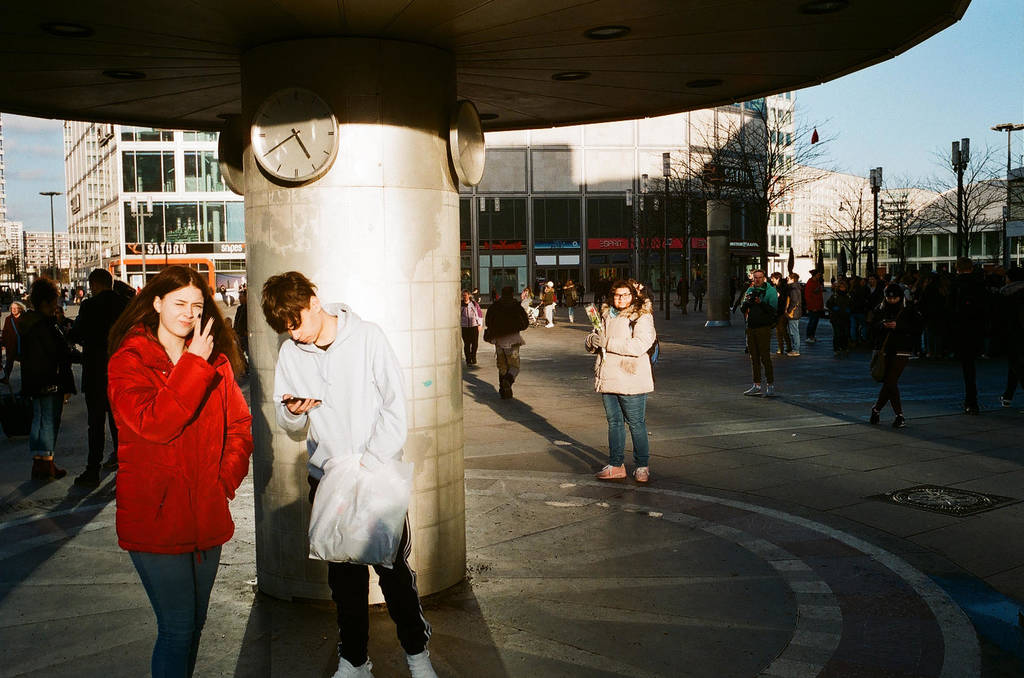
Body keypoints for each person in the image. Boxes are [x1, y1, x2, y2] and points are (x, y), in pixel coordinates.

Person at [260, 271, 438, 678]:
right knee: (343, 577)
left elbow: (395, 406)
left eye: (297, 322)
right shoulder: (292, 353)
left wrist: (371, 463)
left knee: (392, 570)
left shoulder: (368, 337)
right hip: (326, 477)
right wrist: (292, 412)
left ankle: (417, 654)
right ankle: (355, 660)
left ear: (314, 301)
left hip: (375, 473)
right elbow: (287, 423)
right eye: (286, 329)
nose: (296, 334)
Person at [106, 266, 251, 678]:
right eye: (179, 303)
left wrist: (222, 481)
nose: (189, 313)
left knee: (193, 628)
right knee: (176, 628)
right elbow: (155, 423)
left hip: (205, 511)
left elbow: (239, 427)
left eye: (197, 306)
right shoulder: (129, 361)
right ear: (156, 303)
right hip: (155, 518)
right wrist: (192, 365)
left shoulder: (214, 360)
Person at [586, 279, 656, 483]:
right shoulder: (605, 314)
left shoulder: (642, 316)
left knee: (636, 423)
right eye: (617, 295)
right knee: (614, 423)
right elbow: (595, 337)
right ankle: (616, 464)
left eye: (626, 295)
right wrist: (591, 341)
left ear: (633, 295)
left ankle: (642, 465)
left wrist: (607, 342)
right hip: (608, 376)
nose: (621, 298)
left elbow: (639, 345)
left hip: (631, 376)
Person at [68, 269, 130, 486]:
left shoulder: (89, 306)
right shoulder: (124, 305)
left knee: (95, 423)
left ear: (94, 284)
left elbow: (75, 334)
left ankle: (92, 471)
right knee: (118, 422)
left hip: (95, 371)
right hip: (120, 371)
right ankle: (126, 468)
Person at [20, 278, 77, 480]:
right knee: (49, 423)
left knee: (38, 420)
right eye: (54, 302)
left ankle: (38, 462)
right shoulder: (44, 326)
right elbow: (58, 353)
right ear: (45, 303)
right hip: (50, 380)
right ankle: (47, 464)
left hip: (34, 380)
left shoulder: (29, 323)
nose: (57, 306)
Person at [870, 284, 923, 428]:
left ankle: (898, 415)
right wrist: (882, 325)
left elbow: (918, 328)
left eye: (895, 298)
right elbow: (871, 326)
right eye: (889, 297)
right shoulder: (879, 308)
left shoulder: (909, 309)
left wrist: (898, 326)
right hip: (885, 348)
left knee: (891, 380)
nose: (892, 300)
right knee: (889, 382)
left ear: (900, 296)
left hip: (902, 348)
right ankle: (878, 410)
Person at [950, 257, 987, 415]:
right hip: (976, 328)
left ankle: (970, 401)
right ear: (971, 268)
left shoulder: (955, 284)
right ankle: (972, 401)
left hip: (961, 329)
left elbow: (950, 308)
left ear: (957, 268)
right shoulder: (980, 284)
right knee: (970, 365)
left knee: (967, 366)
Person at [484, 286, 530, 399]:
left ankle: (503, 391)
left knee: (502, 366)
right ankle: (508, 381)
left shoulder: (495, 306)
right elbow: (525, 323)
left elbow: (488, 321)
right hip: (513, 339)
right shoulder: (516, 306)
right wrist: (516, 327)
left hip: (499, 340)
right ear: (512, 294)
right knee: (514, 366)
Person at [739, 270, 778, 397]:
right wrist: (748, 302)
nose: (757, 280)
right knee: (753, 357)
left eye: (760, 277)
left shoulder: (770, 291)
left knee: (765, 356)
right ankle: (756, 384)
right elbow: (742, 309)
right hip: (751, 327)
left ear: (764, 278)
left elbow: (773, 311)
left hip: (763, 328)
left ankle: (770, 385)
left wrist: (760, 303)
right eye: (755, 278)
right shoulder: (750, 291)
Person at [998, 267, 1024, 407]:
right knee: (1015, 365)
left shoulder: (1006, 294)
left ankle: (1008, 395)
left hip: (1013, 334)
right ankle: (1008, 395)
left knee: (1016, 364)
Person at [826, 278, 852, 358]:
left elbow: (852, 304)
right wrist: (834, 308)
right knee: (837, 333)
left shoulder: (848, 296)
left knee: (845, 333)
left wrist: (849, 309)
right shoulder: (835, 296)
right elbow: (828, 304)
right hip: (836, 317)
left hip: (845, 317)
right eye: (841, 287)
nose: (842, 288)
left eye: (843, 287)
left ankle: (844, 347)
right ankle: (837, 348)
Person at [1, 300, 26, 384]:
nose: (13, 310)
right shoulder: (8, 319)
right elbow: (5, 332)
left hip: (23, 344)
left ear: (20, 309)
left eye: (15, 308)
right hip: (11, 344)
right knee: (9, 362)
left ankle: (25, 380)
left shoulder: (25, 318)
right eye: (12, 308)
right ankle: (6, 378)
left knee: (25, 364)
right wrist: (3, 343)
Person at [460, 289, 482, 365]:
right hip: (464, 327)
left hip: (474, 326)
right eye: (463, 295)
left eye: (465, 295)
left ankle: (473, 356)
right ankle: (468, 360)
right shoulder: (460, 305)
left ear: (469, 295)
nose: (464, 297)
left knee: (475, 343)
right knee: (467, 344)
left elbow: (479, 314)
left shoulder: (474, 304)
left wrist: (479, 324)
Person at [771, 272, 791, 355]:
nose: (771, 280)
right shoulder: (776, 287)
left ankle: (788, 347)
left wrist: (778, 296)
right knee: (778, 331)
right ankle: (781, 348)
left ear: (777, 278)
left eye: (773, 278)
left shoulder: (783, 287)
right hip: (777, 311)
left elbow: (784, 299)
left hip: (782, 311)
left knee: (782, 330)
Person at [804, 269, 825, 343]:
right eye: (819, 275)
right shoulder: (811, 283)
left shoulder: (816, 282)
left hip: (817, 306)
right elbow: (808, 296)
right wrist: (812, 306)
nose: (820, 276)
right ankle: (809, 336)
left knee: (814, 322)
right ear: (815, 275)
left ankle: (811, 336)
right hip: (813, 306)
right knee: (812, 321)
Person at [784, 272, 802, 356]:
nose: (787, 279)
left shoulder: (793, 289)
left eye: (788, 278)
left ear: (792, 279)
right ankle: (795, 349)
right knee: (794, 330)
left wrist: (789, 311)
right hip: (795, 312)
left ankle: (796, 350)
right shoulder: (794, 288)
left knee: (794, 331)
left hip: (793, 313)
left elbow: (794, 301)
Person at [233, 288, 249, 372]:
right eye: (239, 297)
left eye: (241, 297)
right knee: (239, 353)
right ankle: (245, 367)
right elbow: (236, 320)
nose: (239, 298)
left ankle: (247, 367)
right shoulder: (239, 308)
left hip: (245, 335)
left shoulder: (249, 309)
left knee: (248, 352)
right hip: (239, 334)